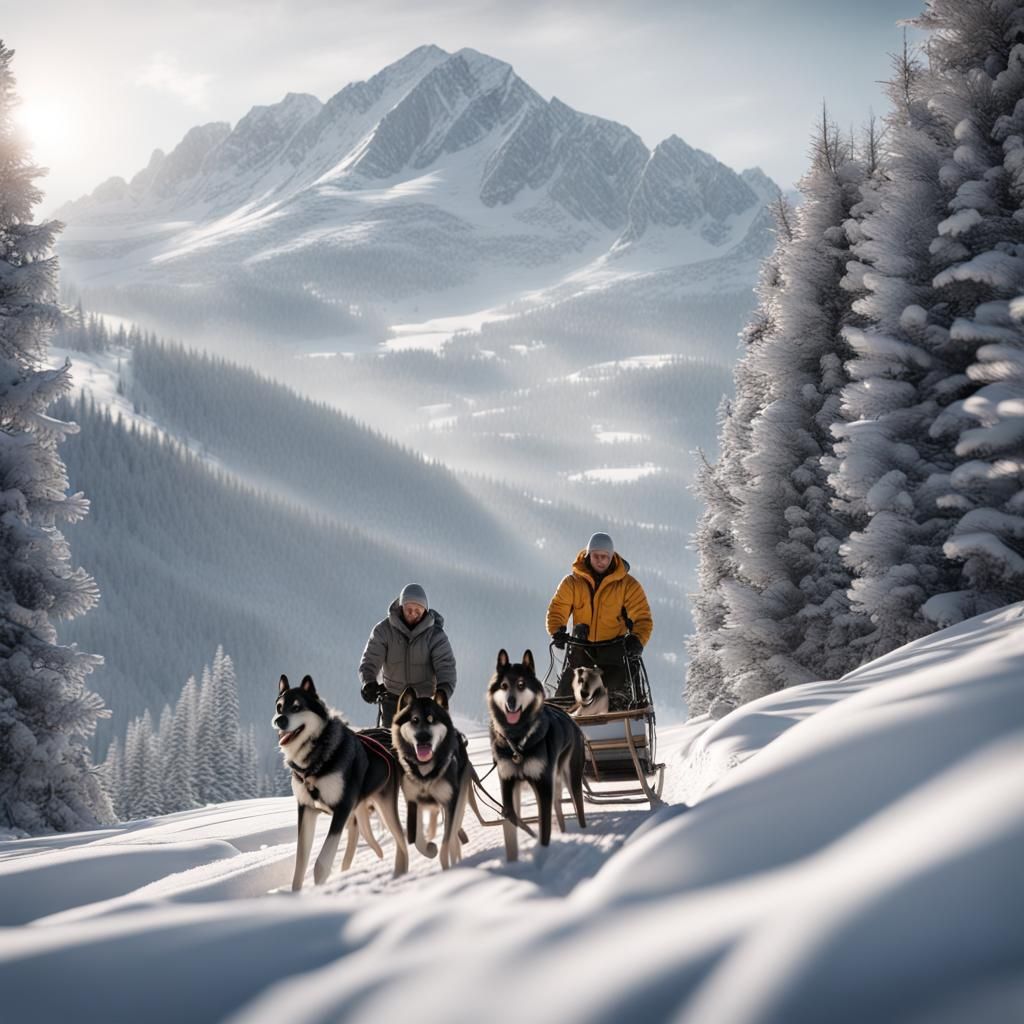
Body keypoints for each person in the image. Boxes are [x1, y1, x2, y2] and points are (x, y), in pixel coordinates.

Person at [546, 533, 653, 702]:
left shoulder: (628, 585)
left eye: (605, 557)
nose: (600, 561)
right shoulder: (572, 583)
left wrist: (637, 639)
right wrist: (557, 630)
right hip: (581, 648)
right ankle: (565, 714)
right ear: (588, 555)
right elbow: (557, 609)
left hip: (614, 651)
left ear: (612, 557)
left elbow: (642, 617)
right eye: (596, 556)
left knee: (617, 696)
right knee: (565, 695)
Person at [359, 583, 457, 727]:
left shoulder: (436, 636)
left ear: (425, 610)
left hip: (425, 703)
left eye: (418, 610)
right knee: (388, 739)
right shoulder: (383, 631)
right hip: (392, 700)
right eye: (409, 610)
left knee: (423, 738)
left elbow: (446, 668)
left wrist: (442, 692)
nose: (413, 614)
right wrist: (368, 682)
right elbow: (370, 660)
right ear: (401, 607)